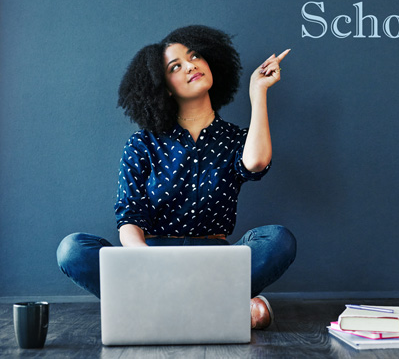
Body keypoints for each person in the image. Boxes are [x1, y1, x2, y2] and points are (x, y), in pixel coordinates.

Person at [56, 25, 296, 330]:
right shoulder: (142, 143)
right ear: (165, 86)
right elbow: (129, 218)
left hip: (217, 265)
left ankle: (161, 312)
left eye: (195, 56)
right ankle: (217, 310)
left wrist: (257, 92)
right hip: (150, 264)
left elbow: (257, 162)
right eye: (176, 66)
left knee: (279, 239)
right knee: (72, 249)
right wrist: (148, 263)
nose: (191, 65)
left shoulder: (236, 138)